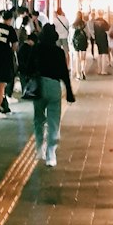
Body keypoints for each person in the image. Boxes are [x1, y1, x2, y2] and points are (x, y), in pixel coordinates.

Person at [29, 23, 75, 166]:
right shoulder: (59, 52)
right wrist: (69, 92)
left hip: (39, 86)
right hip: (54, 87)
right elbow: (64, 73)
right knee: (54, 122)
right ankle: (51, 155)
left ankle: (38, 148)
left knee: (38, 119)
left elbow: (28, 67)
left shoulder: (36, 49)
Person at [70, 15, 89, 81]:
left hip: (76, 42)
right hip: (83, 41)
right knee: (83, 58)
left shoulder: (73, 25)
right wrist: (88, 39)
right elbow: (87, 33)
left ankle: (78, 74)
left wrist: (71, 42)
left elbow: (72, 34)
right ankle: (83, 71)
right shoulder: (85, 24)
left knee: (77, 58)